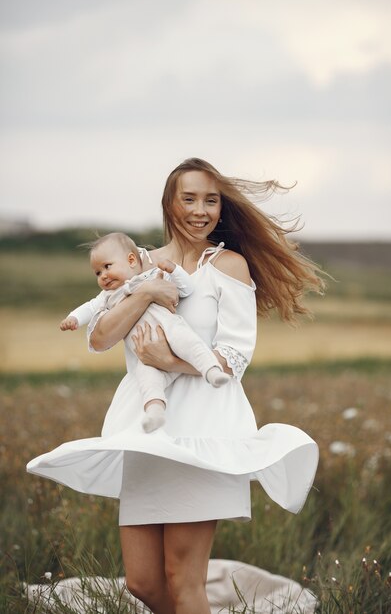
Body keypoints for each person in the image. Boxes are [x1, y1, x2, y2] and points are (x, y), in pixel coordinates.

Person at [27, 158, 324, 614]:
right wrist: (144, 292)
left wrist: (170, 361)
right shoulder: (137, 264)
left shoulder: (229, 265)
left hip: (205, 430)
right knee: (144, 583)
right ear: (169, 203)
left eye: (211, 200)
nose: (201, 210)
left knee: (184, 583)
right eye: (189, 198)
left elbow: (235, 358)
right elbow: (101, 337)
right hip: (147, 432)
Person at [60, 231, 230, 432]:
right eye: (97, 273)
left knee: (189, 342)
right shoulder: (107, 296)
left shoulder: (151, 276)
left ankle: (211, 370)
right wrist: (73, 318)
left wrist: (174, 270)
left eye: (107, 267)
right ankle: (155, 412)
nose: (103, 275)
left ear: (131, 260)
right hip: (146, 357)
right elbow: (89, 308)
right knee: (147, 378)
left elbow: (186, 289)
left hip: (169, 331)